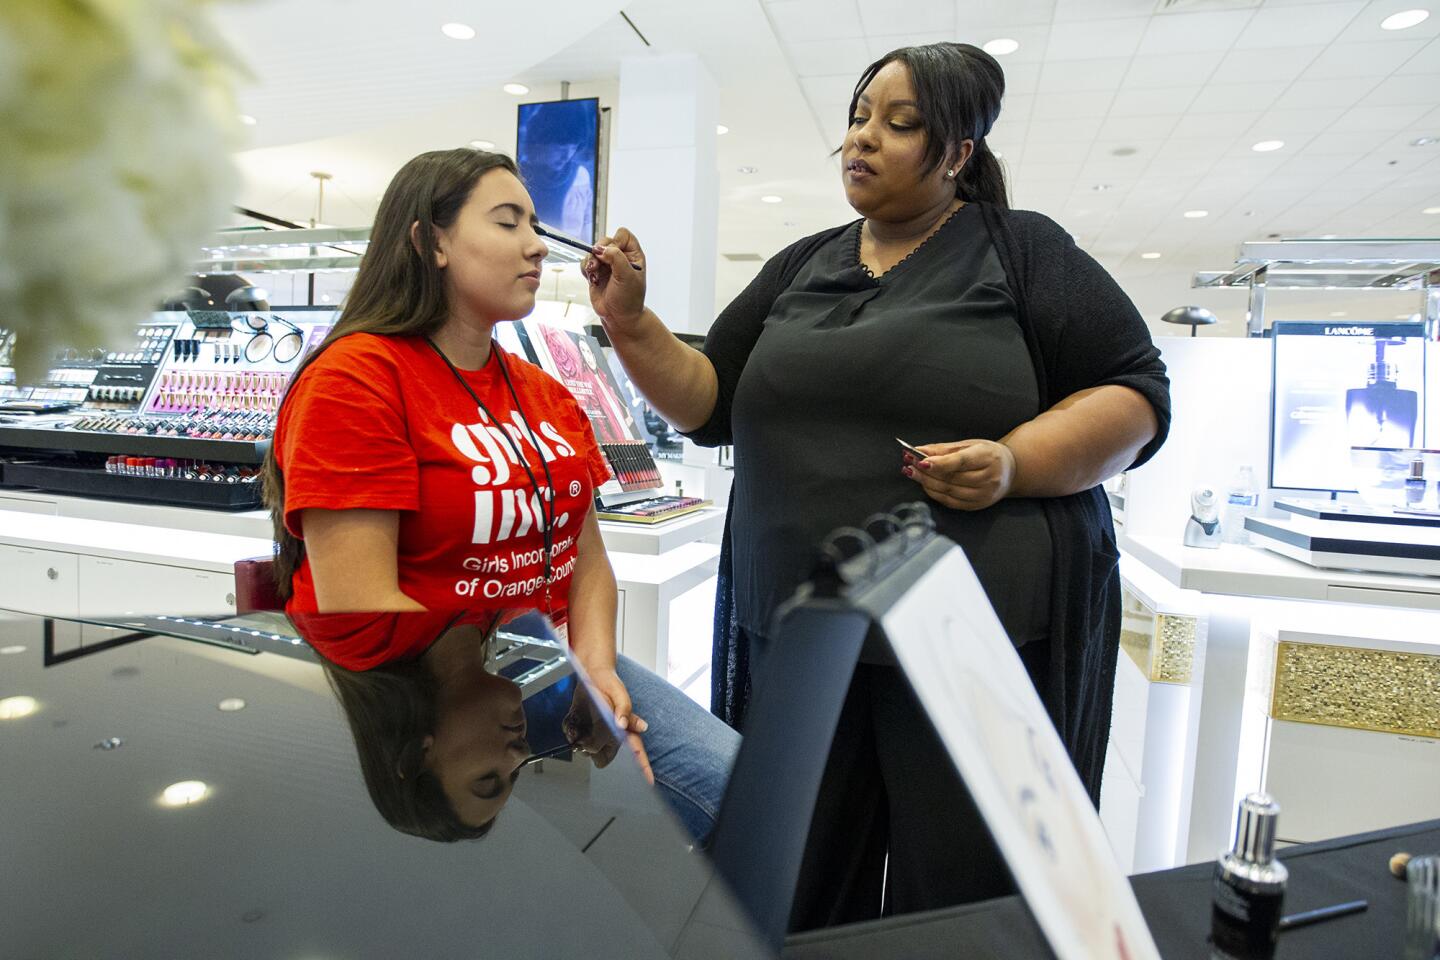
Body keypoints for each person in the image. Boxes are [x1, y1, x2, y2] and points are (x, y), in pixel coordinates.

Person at [580, 43, 1171, 925]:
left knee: (961, 898)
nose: (863, 139)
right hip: (803, 641)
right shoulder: (802, 264)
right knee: (798, 886)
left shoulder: (1023, 252)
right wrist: (630, 325)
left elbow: (1135, 395)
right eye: (859, 117)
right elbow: (711, 399)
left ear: (959, 154)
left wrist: (1013, 463)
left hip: (968, 645)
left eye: (900, 125)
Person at [261, 148, 737, 839]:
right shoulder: (356, 381)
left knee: (737, 790)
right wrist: (496, 680)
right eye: (508, 222)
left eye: (534, 224)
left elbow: (584, 554)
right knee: (725, 800)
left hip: (531, 662)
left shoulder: (540, 391)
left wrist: (593, 668)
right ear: (432, 242)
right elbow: (359, 608)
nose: (537, 244)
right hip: (427, 686)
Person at [295, 609, 735, 844]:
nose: (520, 755)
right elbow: (580, 536)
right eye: (515, 775)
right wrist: (593, 669)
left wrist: (592, 665)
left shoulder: (358, 624)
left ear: (418, 751)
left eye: (489, 778)